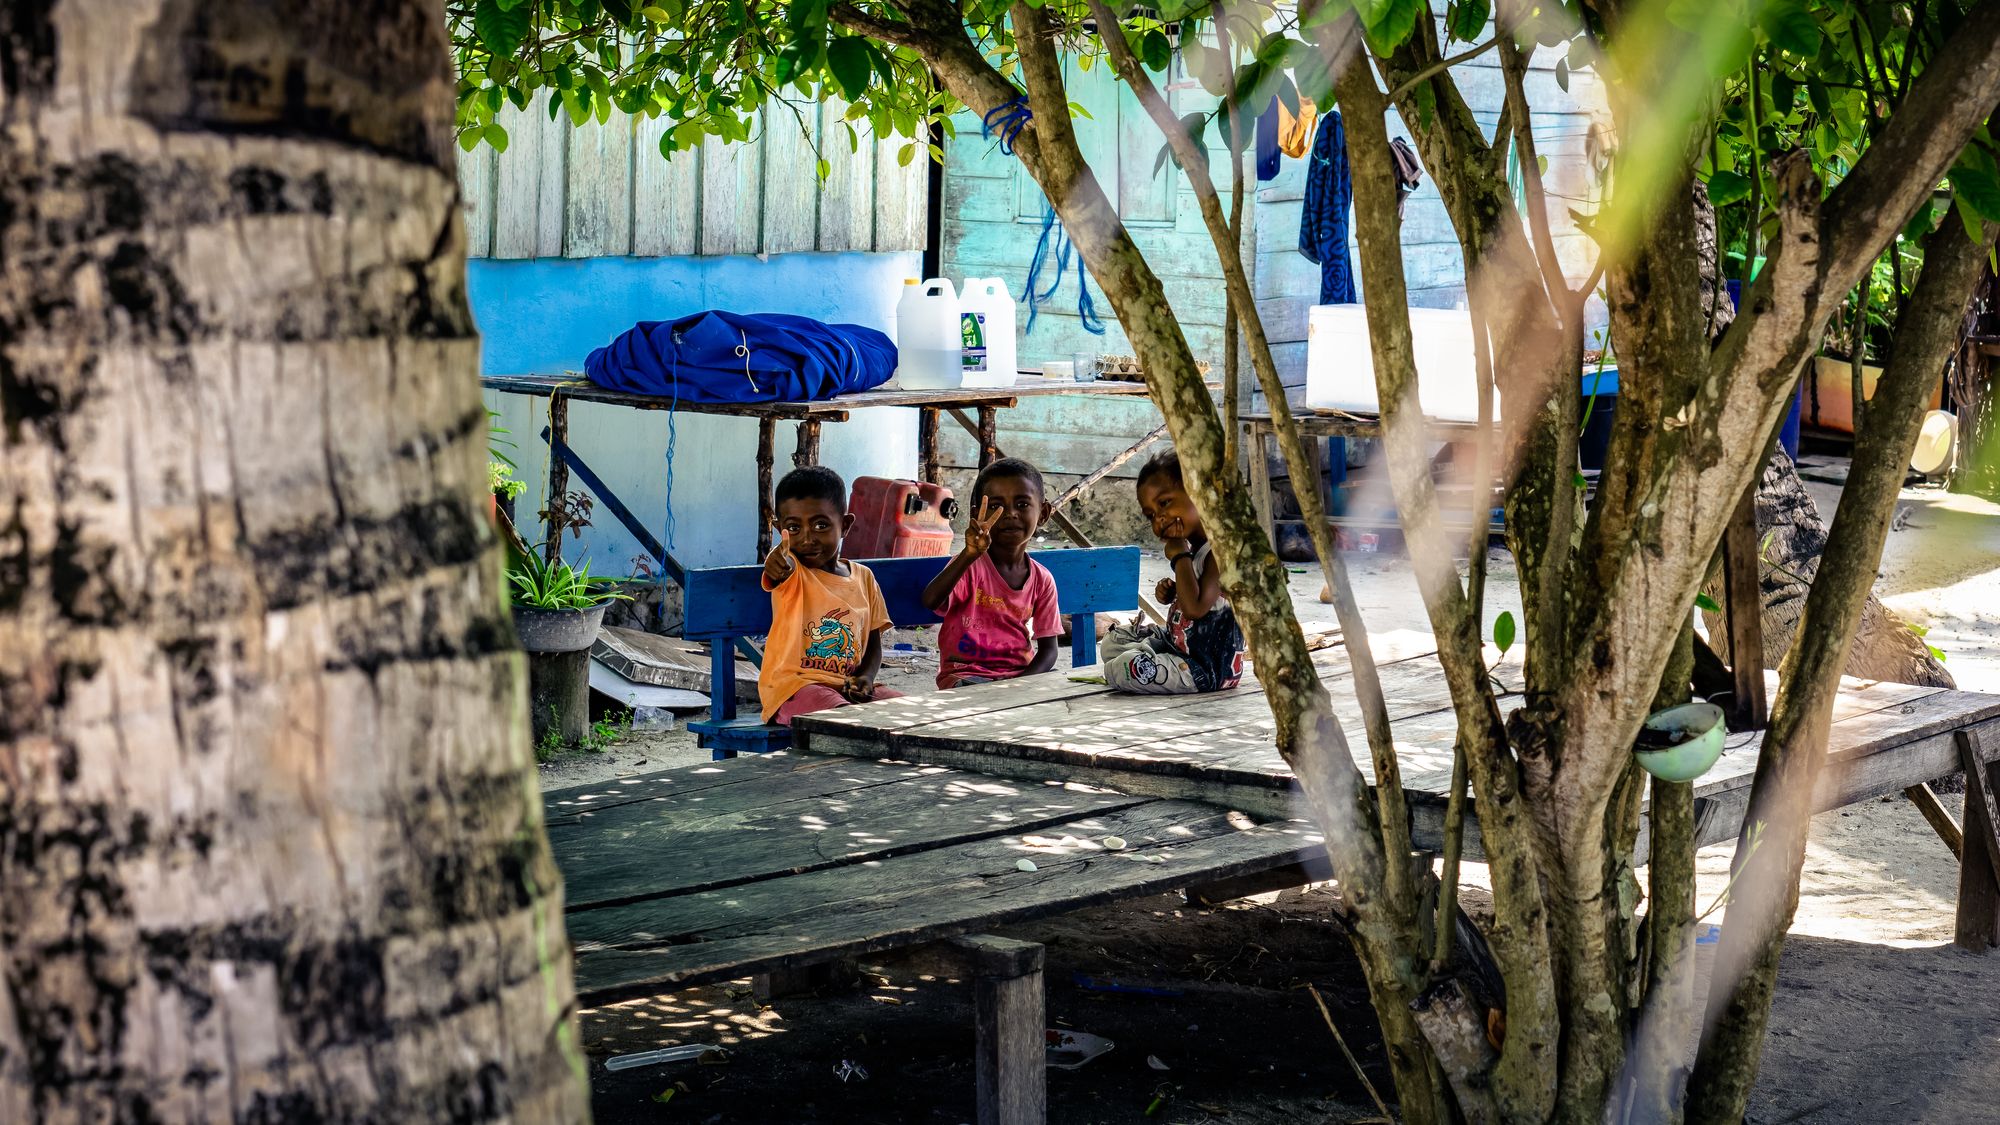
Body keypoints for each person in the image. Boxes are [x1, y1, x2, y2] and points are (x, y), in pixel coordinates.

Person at [759, 466, 902, 725]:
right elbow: (781, 563)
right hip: (795, 689)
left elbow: (873, 645)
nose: (807, 538)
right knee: (846, 719)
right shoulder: (793, 571)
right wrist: (774, 560)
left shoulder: (864, 578)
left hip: (845, 688)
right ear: (780, 529)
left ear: (845, 525)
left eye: (820, 525)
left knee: (907, 709)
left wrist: (867, 678)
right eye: (793, 528)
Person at [1102, 449, 1245, 694]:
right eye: (1151, 515)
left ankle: (1147, 664)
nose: (1160, 519)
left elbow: (1196, 608)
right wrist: (1172, 592)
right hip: (1177, 646)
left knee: (1122, 668)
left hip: (1205, 668)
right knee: (1113, 642)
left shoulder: (1221, 550)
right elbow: (1193, 597)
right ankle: (1150, 660)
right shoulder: (1196, 548)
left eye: (1165, 503)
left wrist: (1179, 556)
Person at [921, 457, 1063, 689]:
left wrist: (1017, 686)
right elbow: (931, 600)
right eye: (996, 506)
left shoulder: (1042, 579)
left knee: (1059, 688)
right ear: (979, 514)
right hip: (967, 675)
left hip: (1018, 676)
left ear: (1044, 512)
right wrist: (968, 554)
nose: (1010, 514)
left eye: (1022, 504)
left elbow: (1049, 652)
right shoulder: (970, 565)